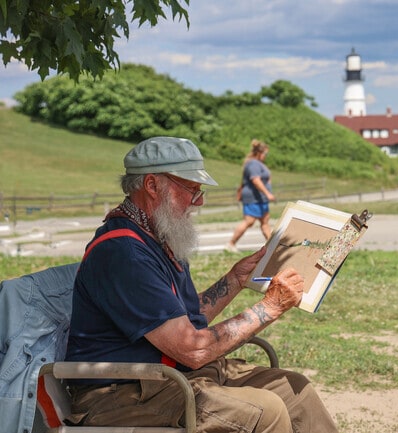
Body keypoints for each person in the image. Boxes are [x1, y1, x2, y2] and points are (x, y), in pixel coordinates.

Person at [64, 136, 338, 433]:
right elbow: (192, 349)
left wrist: (235, 280)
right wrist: (270, 307)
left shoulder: (156, 236)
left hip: (167, 378)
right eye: (192, 190)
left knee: (295, 390)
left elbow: (185, 323)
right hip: (122, 394)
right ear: (153, 185)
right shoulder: (124, 252)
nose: (200, 201)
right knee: (265, 412)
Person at [227, 139, 275, 253]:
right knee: (249, 221)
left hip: (260, 198)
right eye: (265, 154)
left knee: (265, 222)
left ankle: (272, 246)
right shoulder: (253, 164)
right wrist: (268, 193)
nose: (265, 156)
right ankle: (231, 244)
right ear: (259, 153)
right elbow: (255, 180)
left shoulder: (258, 164)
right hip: (254, 197)